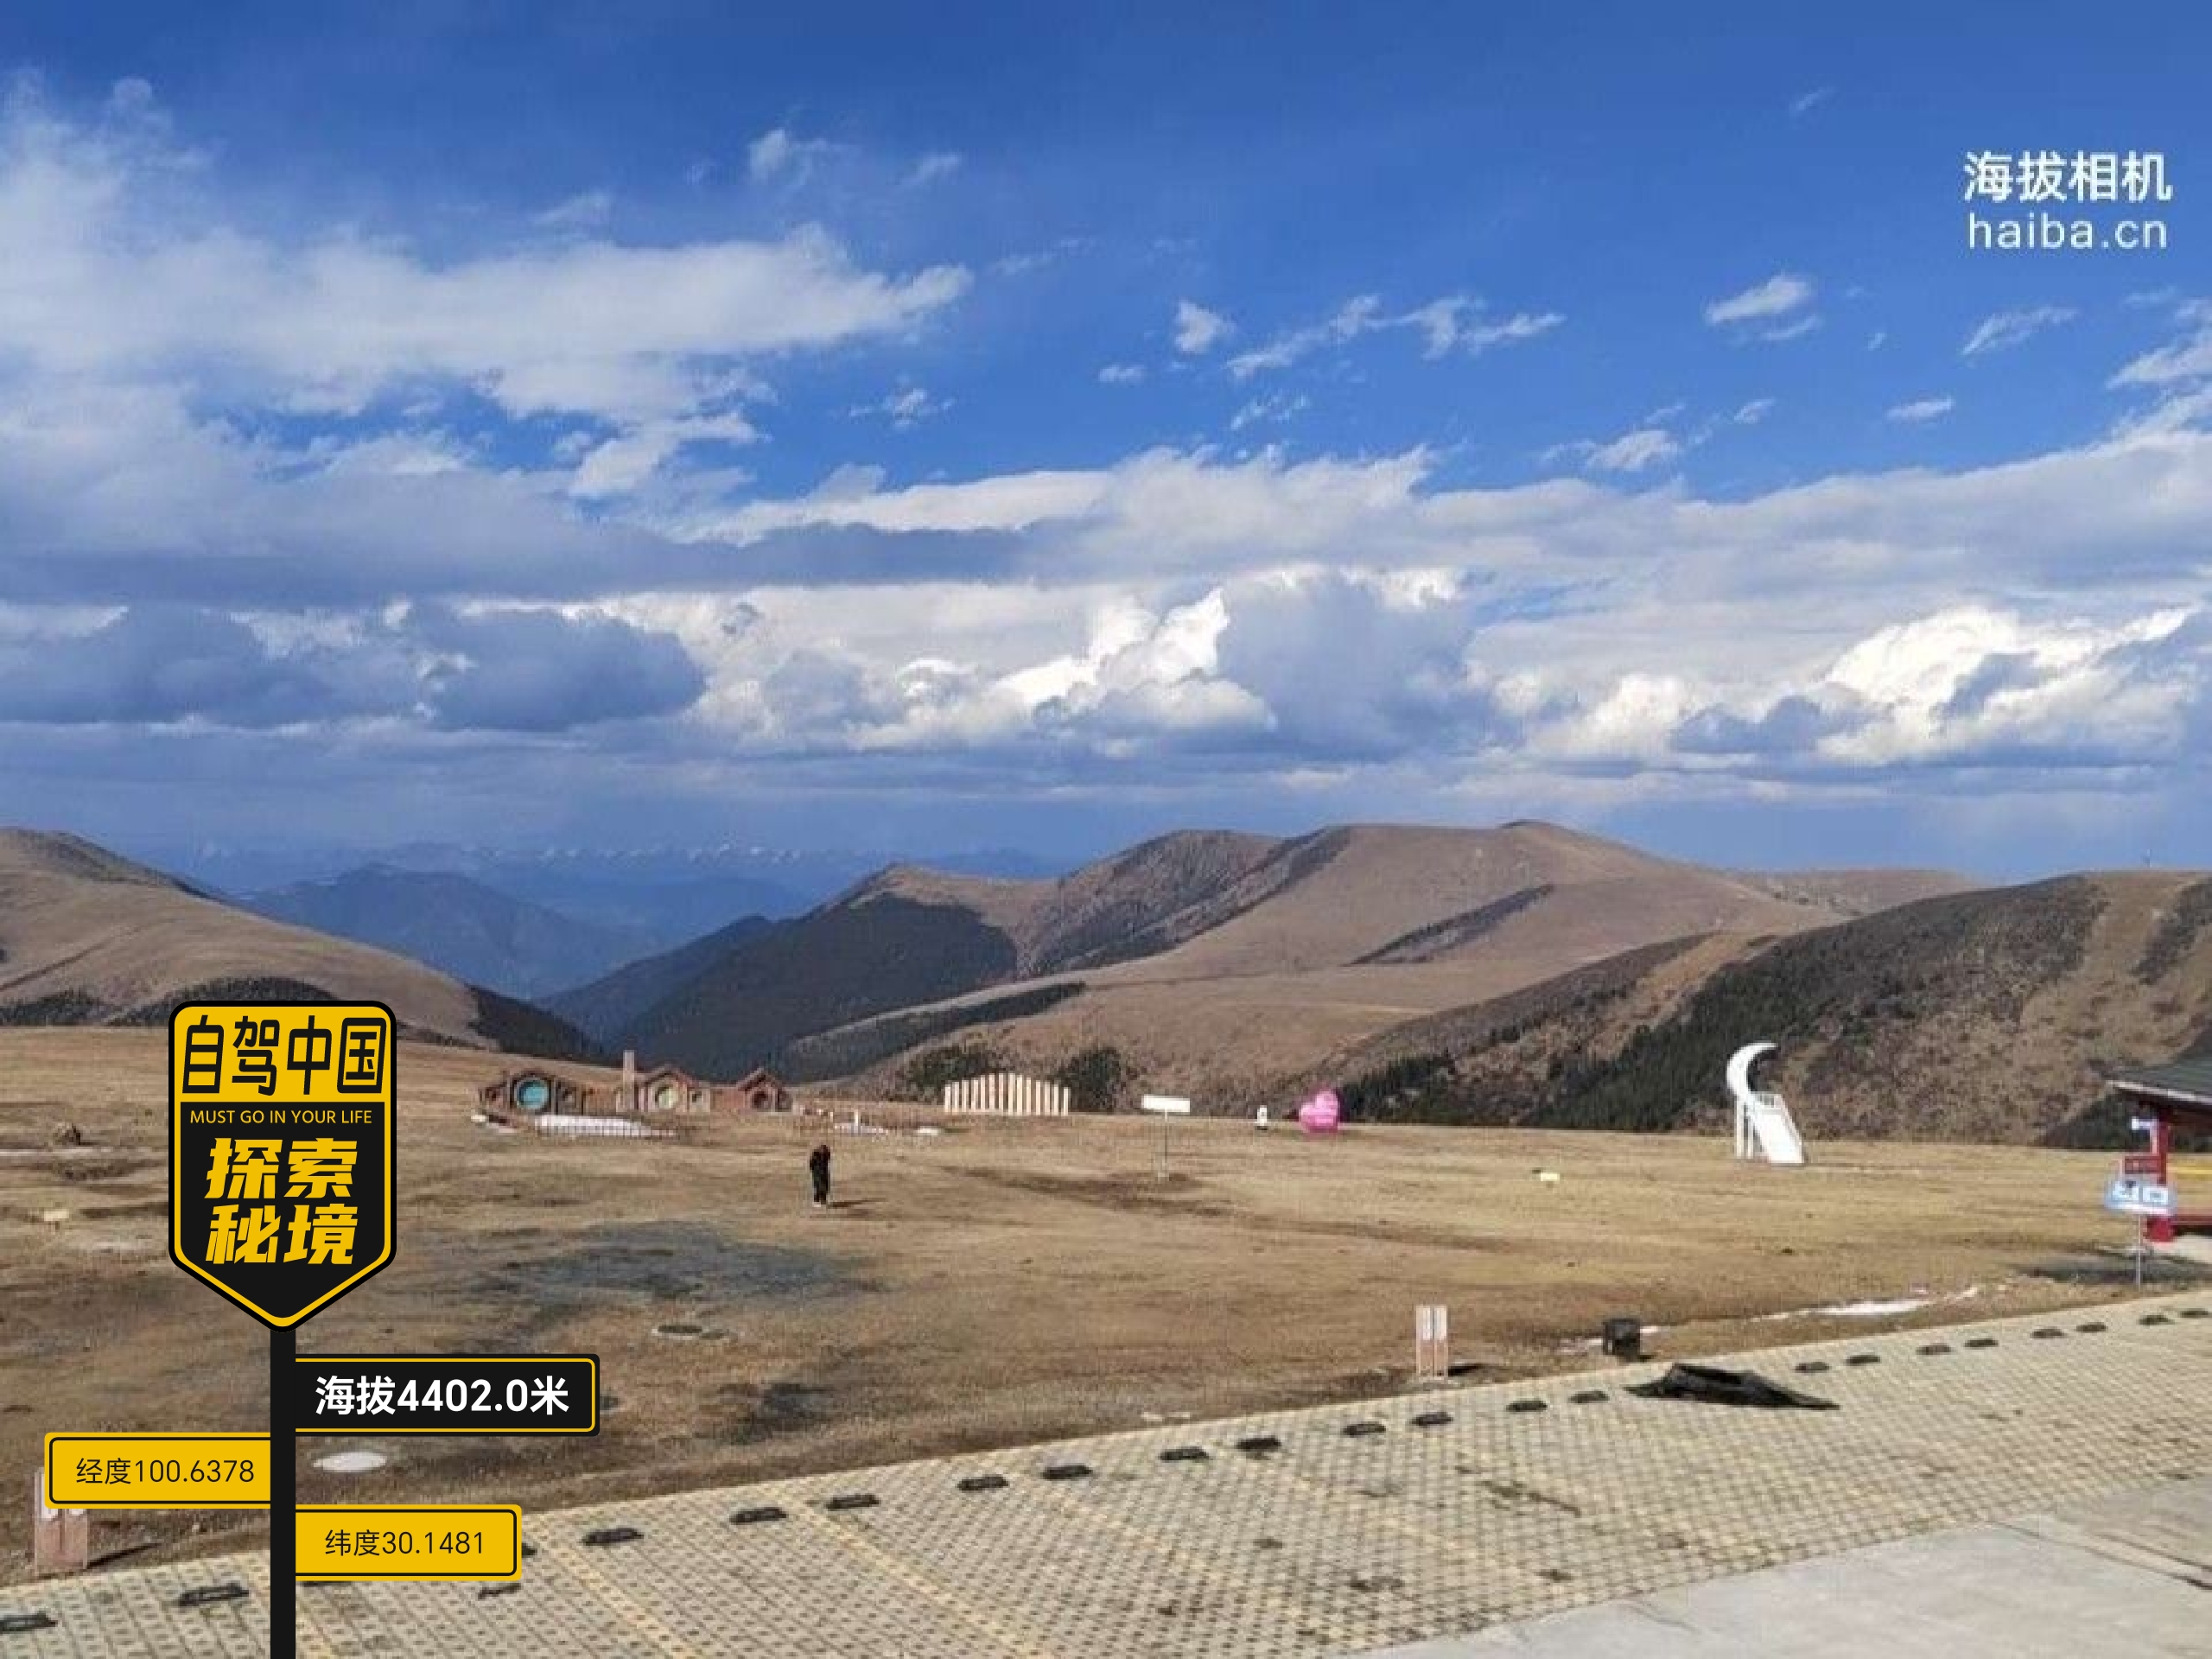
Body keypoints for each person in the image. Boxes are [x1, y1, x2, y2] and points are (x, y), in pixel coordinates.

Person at [808, 1142, 832, 1208]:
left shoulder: (826, 1155)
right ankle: (816, 1202)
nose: (823, 1152)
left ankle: (824, 1201)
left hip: (824, 1173)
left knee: (825, 1187)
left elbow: (827, 1163)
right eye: (823, 1151)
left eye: (825, 1151)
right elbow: (811, 1165)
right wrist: (815, 1172)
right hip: (817, 1173)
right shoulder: (815, 1155)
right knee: (818, 1188)